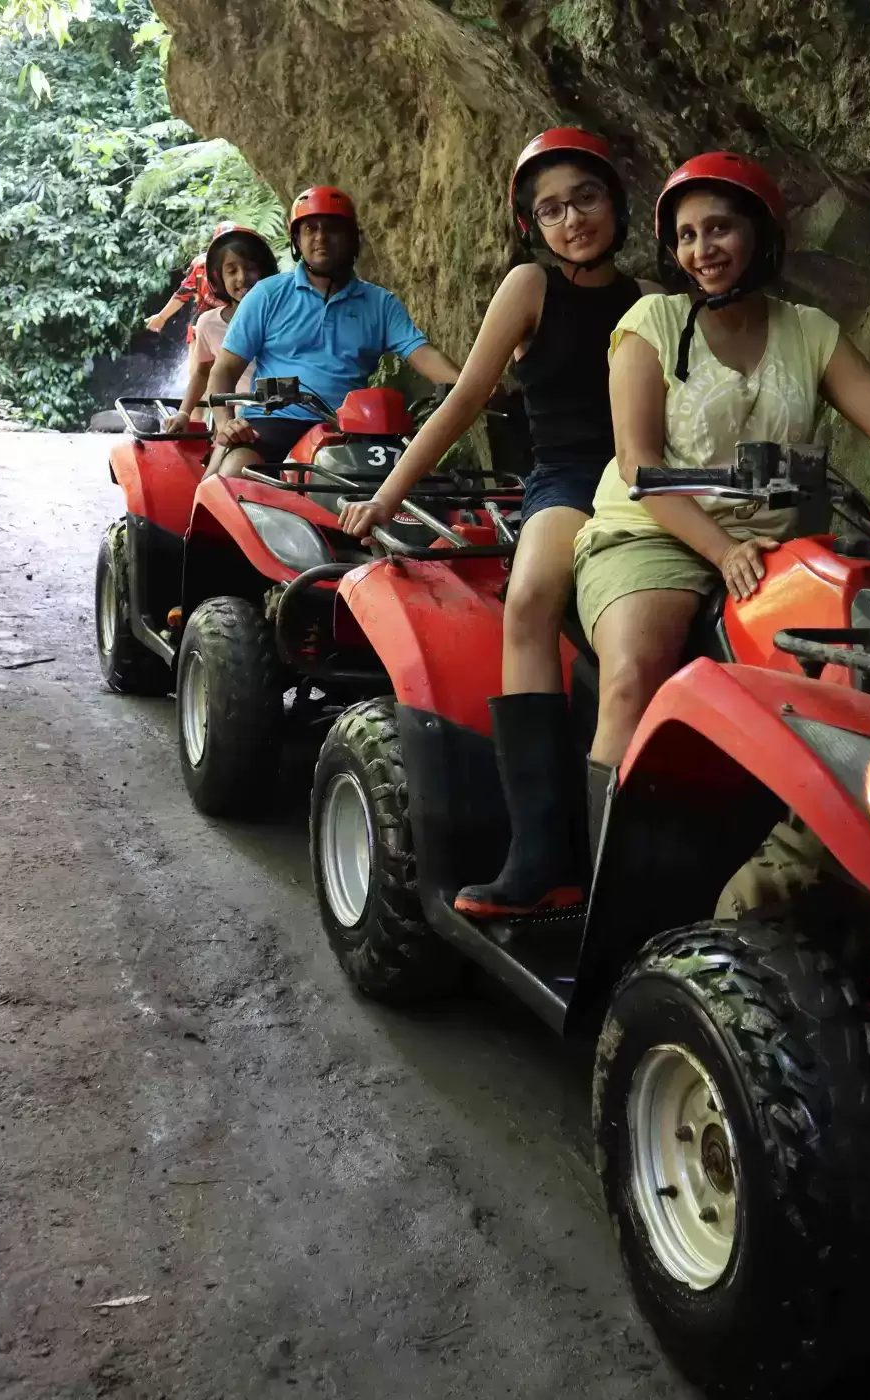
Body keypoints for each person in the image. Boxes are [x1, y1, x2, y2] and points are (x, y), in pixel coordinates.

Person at [575, 153, 870, 780]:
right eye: (686, 234)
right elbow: (638, 463)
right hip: (657, 533)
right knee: (630, 680)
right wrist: (723, 548)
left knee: (869, 668)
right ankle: (610, 874)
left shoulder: (809, 330)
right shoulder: (652, 322)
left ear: (760, 233)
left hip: (780, 543)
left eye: (720, 228)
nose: (703, 248)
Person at [339, 128, 651, 918]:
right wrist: (388, 494)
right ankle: (540, 852)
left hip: (648, 480)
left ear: (615, 203)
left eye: (585, 198)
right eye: (551, 209)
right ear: (531, 226)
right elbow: (466, 395)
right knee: (533, 594)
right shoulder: (530, 288)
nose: (572, 219)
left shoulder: (652, 302)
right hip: (571, 478)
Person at [170, 185, 463, 476]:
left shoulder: (380, 303)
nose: (320, 237)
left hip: (349, 430)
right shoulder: (267, 295)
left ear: (351, 238)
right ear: (297, 240)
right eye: (310, 229)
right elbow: (224, 370)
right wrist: (226, 423)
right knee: (233, 476)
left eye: (332, 229)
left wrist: (472, 386)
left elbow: (423, 354)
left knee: (431, 487)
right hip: (271, 422)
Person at [160, 223, 276, 446]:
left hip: (281, 419)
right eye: (231, 270)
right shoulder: (208, 323)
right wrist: (184, 412)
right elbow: (203, 372)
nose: (242, 277)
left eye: (250, 268)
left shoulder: (283, 317)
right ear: (218, 277)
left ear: (264, 271)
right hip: (233, 426)